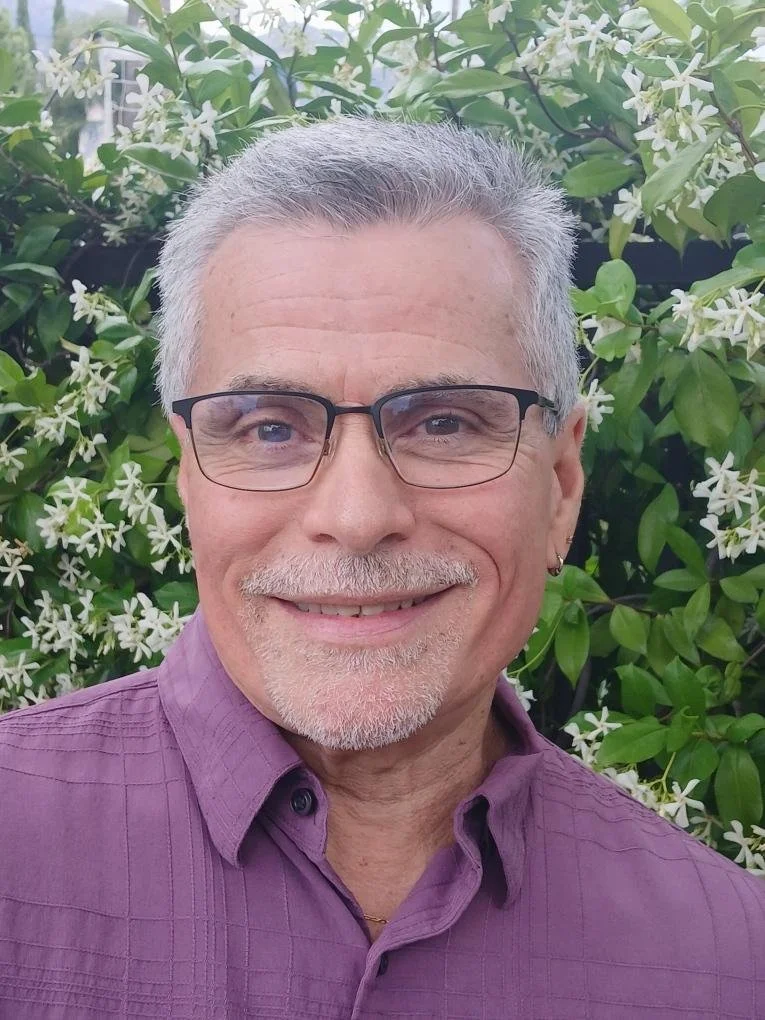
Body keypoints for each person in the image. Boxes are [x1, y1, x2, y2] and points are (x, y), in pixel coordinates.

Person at [0, 118, 762, 1020]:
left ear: (560, 487)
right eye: (269, 429)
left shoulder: (729, 963)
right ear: (190, 478)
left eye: (443, 422)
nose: (357, 518)